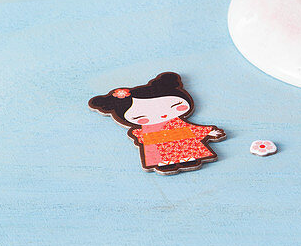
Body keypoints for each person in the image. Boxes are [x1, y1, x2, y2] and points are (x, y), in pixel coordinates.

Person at [89, 71, 226, 173]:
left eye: (175, 105)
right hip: (158, 148)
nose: (164, 114)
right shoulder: (143, 130)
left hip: (185, 144)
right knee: (163, 158)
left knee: (189, 156)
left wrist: (209, 131)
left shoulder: (177, 123)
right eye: (141, 116)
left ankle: (189, 160)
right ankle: (167, 164)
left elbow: (192, 129)